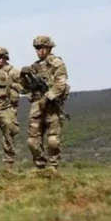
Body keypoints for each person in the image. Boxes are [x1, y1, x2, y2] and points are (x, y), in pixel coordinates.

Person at [20, 36, 70, 172]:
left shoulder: (57, 63)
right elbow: (24, 89)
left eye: (41, 47)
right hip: (37, 105)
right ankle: (39, 165)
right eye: (36, 48)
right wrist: (23, 77)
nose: (38, 51)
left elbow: (60, 84)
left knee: (53, 140)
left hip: (53, 105)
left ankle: (53, 166)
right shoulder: (34, 67)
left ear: (48, 48)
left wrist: (47, 97)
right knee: (32, 140)